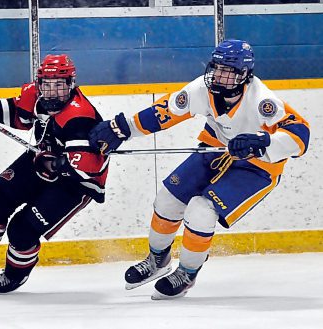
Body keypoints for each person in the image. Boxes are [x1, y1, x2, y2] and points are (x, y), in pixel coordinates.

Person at [88, 39, 310, 299]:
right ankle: (157, 260)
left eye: (229, 71)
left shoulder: (262, 100)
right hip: (214, 150)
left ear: (245, 75)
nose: (220, 75)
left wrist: (264, 141)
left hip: (257, 167)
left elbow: (300, 135)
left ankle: (187, 273)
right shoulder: (201, 89)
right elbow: (163, 113)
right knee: (167, 201)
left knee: (201, 210)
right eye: (217, 68)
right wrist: (121, 127)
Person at [0, 54, 109, 294]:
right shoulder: (35, 93)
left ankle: (14, 276)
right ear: (40, 83)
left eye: (59, 85)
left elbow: (89, 165)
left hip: (77, 181)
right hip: (42, 159)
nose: (52, 92)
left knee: (23, 230)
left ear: (71, 84)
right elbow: (20, 115)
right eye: (47, 85)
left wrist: (57, 164)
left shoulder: (79, 116)